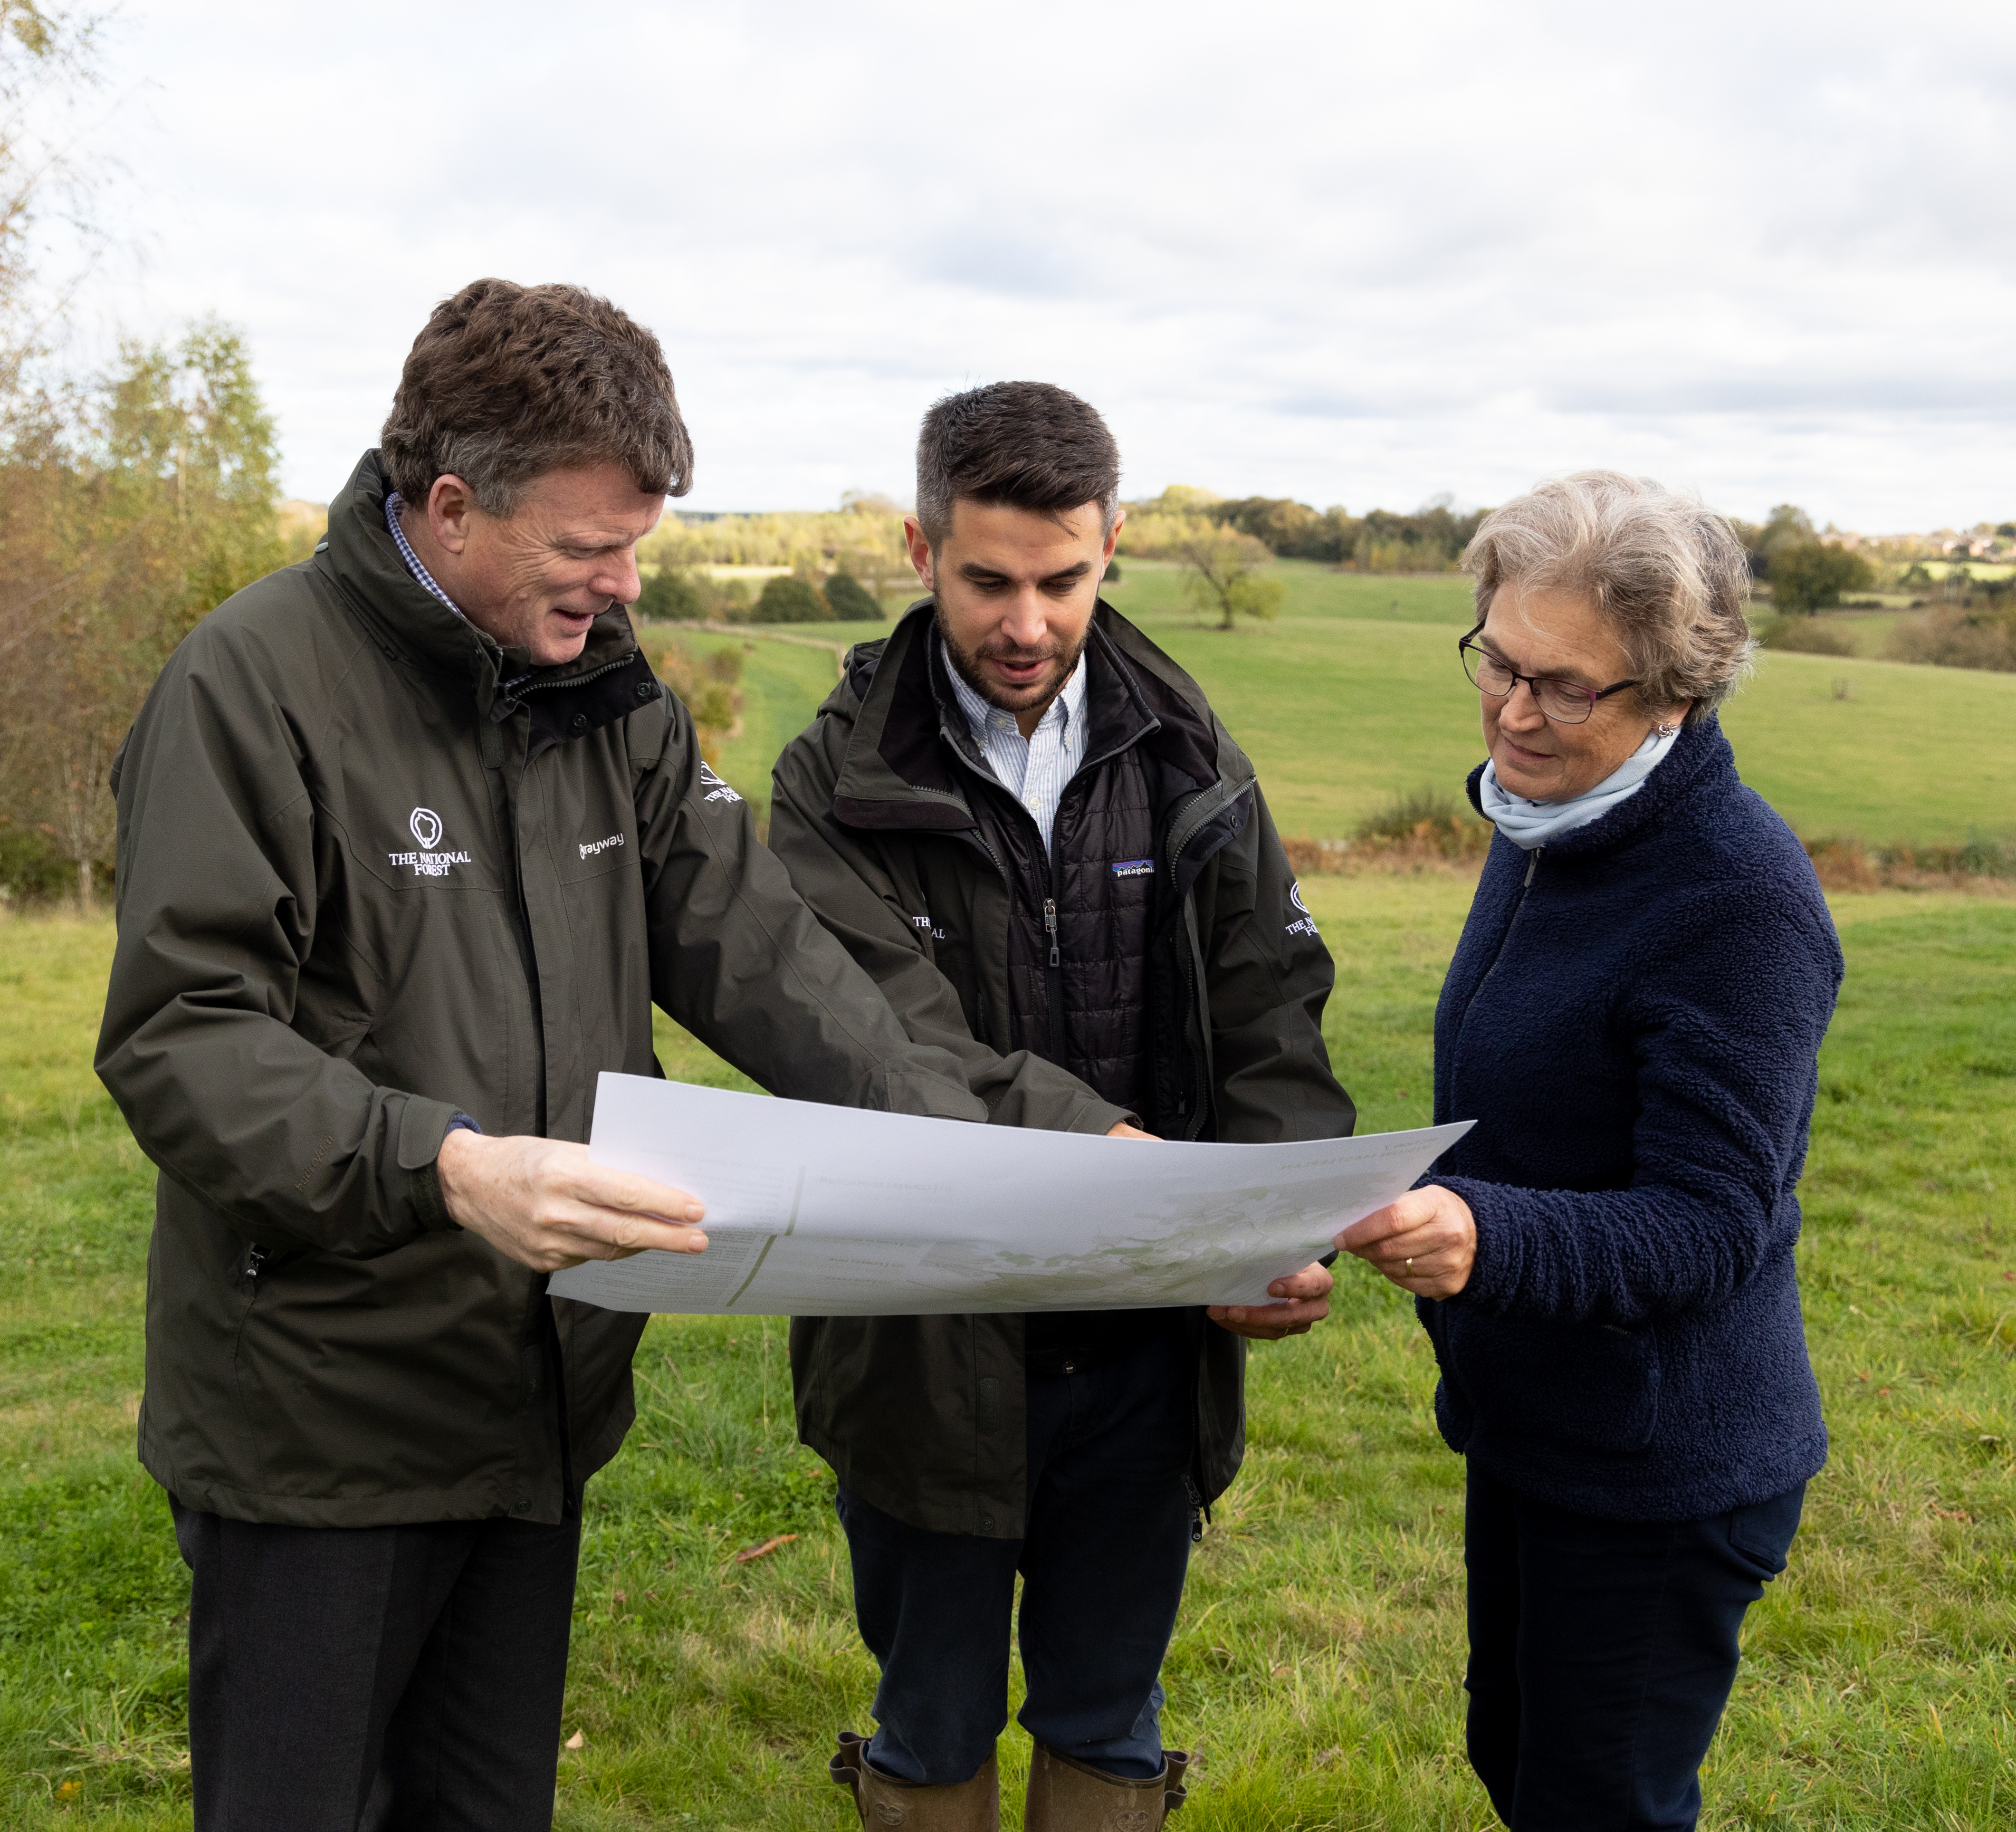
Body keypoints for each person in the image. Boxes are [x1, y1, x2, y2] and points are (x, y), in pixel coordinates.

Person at [93, 279, 1008, 1832]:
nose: (625, 583)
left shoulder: (604, 692)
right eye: (591, 549)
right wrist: (443, 1167)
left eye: (638, 544)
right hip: (323, 1421)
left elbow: (768, 954)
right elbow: (184, 1036)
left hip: (536, 1406)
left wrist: (993, 1154)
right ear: (452, 509)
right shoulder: (250, 688)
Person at [769, 381, 1354, 1832]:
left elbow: (1273, 1011)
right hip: (922, 1351)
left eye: (1062, 579)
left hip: (1146, 1361)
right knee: (933, 1720)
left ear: (1114, 551)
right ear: (917, 548)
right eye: (987, 580)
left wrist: (1273, 1218)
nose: (1025, 622)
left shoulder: (1191, 758)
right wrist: (1097, 1148)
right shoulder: (823, 788)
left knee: (1107, 1712)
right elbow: (885, 1054)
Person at [1336, 469, 1843, 1831]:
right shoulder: (1549, 817)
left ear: (1676, 693)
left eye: (1564, 687)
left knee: (1595, 1809)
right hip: (1540, 1429)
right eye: (1497, 662)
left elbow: (1708, 1221)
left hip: (1663, 1469)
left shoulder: (1736, 901)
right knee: (1521, 1769)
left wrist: (1486, 1237)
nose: (1513, 709)